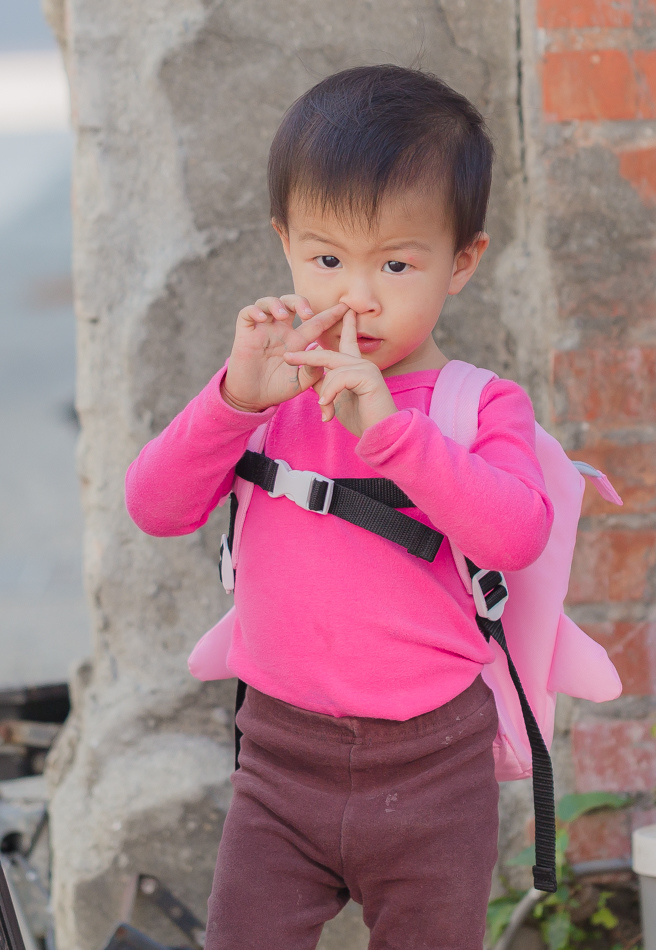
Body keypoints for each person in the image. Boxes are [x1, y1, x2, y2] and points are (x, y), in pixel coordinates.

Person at [125, 64, 554, 950]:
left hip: (433, 773)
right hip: (281, 769)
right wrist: (234, 399)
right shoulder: (268, 395)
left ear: (463, 261)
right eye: (327, 259)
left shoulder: (477, 406)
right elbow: (155, 507)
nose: (356, 296)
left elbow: (516, 535)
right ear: (285, 244)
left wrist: (392, 432)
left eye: (396, 263)